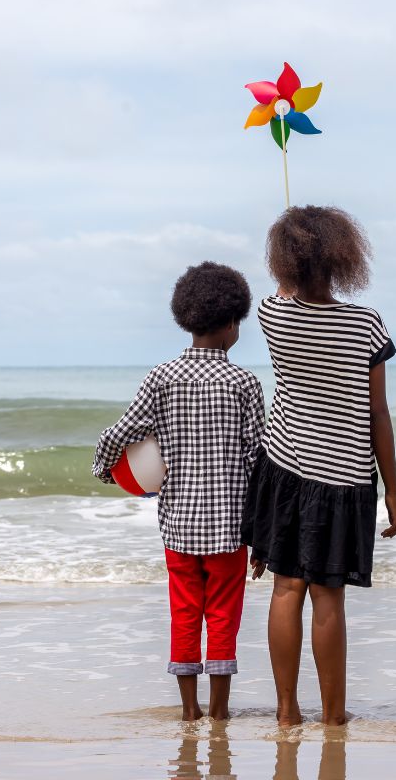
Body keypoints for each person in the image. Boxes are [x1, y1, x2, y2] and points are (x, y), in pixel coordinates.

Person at [241, 205, 396, 727]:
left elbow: (283, 295)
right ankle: (334, 715)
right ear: (342, 257)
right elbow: (378, 412)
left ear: (284, 260)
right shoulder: (366, 323)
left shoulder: (273, 314)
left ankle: (287, 711)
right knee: (328, 599)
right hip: (344, 478)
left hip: (285, 467)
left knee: (286, 589)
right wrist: (394, 493)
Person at [92, 262, 265, 721]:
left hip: (179, 528)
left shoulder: (162, 377)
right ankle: (220, 712)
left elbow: (122, 431)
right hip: (230, 529)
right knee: (224, 617)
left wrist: (105, 470)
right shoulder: (245, 383)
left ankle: (189, 712)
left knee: (185, 614)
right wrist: (263, 534)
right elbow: (257, 460)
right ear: (231, 323)